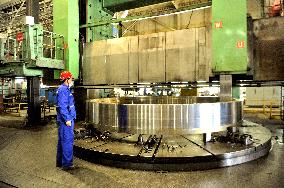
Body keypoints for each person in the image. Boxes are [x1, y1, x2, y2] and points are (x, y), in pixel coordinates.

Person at [56, 71, 76, 170]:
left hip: (65, 119)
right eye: (71, 78)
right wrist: (67, 119)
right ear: (66, 79)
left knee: (62, 141)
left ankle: (60, 162)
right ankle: (67, 164)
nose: (72, 80)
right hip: (66, 120)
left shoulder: (65, 89)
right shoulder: (63, 90)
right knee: (67, 141)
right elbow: (62, 106)